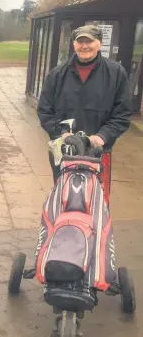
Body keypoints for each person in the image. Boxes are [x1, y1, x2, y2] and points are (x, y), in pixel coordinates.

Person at [37, 24, 132, 204]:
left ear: (99, 44)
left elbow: (122, 114)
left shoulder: (116, 73)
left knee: (97, 201)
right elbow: (45, 110)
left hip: (98, 152)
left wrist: (102, 136)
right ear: (74, 44)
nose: (84, 46)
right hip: (65, 151)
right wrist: (61, 133)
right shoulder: (57, 74)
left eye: (89, 41)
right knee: (64, 199)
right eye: (80, 41)